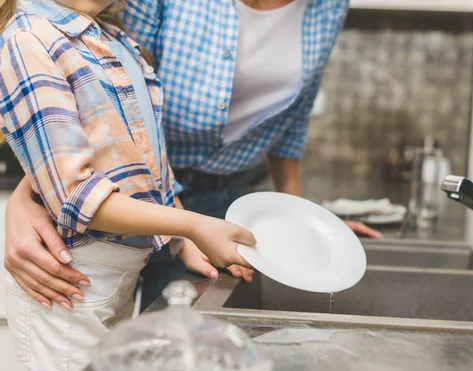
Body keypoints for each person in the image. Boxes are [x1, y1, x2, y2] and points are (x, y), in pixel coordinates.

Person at [3, 0, 382, 312]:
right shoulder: (36, 35)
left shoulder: (328, 7)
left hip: (213, 204)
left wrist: (300, 220)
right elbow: (94, 107)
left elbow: (295, 117)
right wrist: (33, 190)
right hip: (132, 217)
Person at [0, 0, 257, 371]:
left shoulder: (115, 39)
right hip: (67, 276)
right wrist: (194, 225)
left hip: (116, 274)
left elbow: (147, 166)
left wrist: (182, 240)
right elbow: (75, 195)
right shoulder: (29, 39)